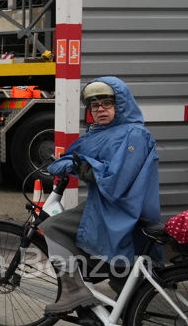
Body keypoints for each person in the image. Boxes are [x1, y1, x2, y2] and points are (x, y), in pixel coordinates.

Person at [41, 77, 161, 315]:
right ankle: (125, 312)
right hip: (108, 206)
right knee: (123, 275)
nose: (100, 110)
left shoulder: (135, 134)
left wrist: (88, 168)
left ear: (121, 104)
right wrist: (70, 162)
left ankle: (75, 292)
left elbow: (118, 181)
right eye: (95, 106)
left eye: (107, 103)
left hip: (123, 209)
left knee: (53, 227)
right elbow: (74, 154)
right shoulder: (101, 133)